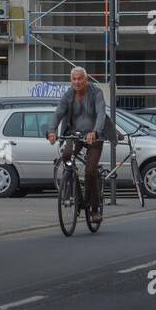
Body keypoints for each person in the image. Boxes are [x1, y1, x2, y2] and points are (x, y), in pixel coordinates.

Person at [47, 66, 106, 211]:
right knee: (66, 156)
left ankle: (94, 207)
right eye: (74, 79)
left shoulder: (96, 92)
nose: (77, 82)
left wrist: (95, 132)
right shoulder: (69, 94)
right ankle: (73, 186)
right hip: (75, 135)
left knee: (90, 171)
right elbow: (58, 113)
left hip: (94, 137)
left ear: (86, 79)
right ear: (70, 80)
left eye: (80, 78)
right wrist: (51, 131)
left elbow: (101, 113)